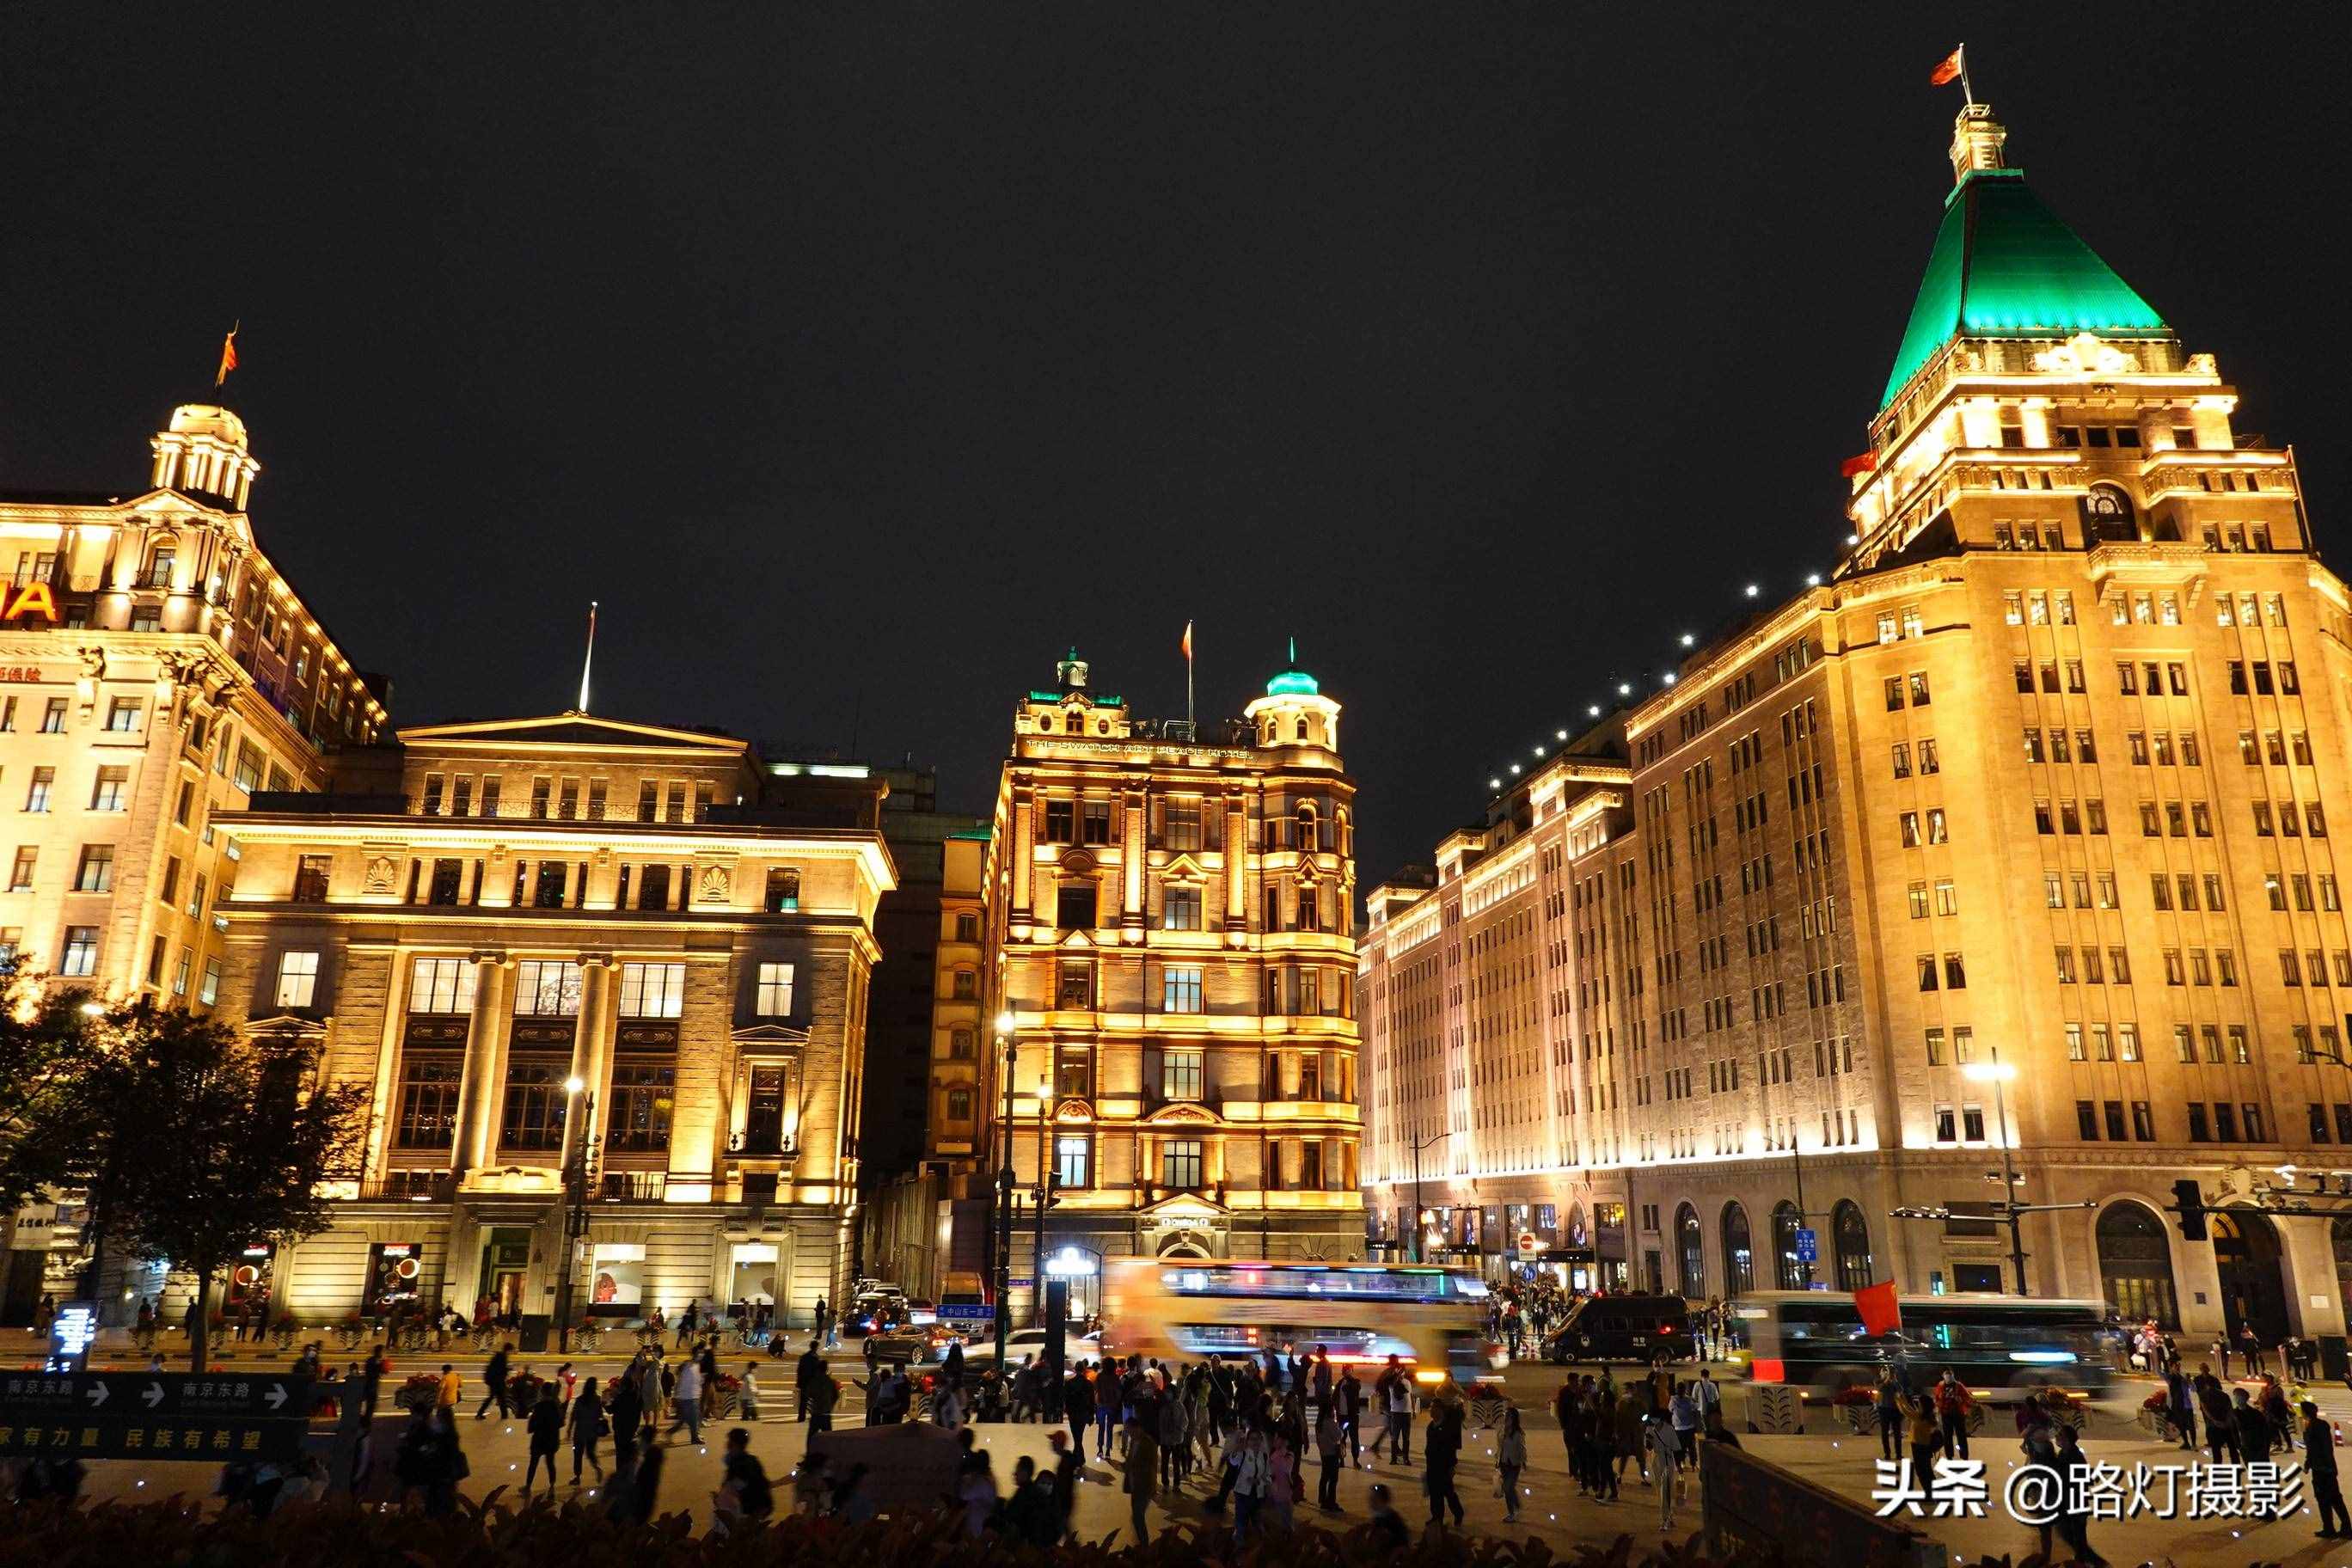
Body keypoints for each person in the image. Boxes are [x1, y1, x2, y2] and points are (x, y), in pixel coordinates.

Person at [2051, 1424, 2108, 1565]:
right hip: (2066, 1502)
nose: (2057, 1437)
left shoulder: (2075, 1457)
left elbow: (2083, 1479)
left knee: (2077, 1538)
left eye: (2060, 1435)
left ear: (2068, 1439)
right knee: (2071, 1535)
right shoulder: (2064, 1453)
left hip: (2076, 1503)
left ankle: (2093, 1562)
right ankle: (2091, 1561)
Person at [2307, 1401, 2350, 1538]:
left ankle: (2341, 1528)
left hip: (2323, 1470)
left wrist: (2328, 1467)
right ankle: (2333, 1528)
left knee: (2331, 1499)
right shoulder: (2316, 1425)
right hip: (2322, 1468)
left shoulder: (2316, 1427)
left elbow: (2324, 1449)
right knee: (2329, 1499)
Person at [1423, 1387, 1464, 1528]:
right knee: (1435, 1495)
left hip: (1445, 1467)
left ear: (1439, 1410)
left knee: (1448, 1493)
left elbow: (1450, 1450)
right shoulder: (1430, 1427)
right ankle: (1437, 1518)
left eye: (1432, 1408)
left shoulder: (1447, 1428)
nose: (1430, 1410)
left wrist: (1452, 1466)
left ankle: (1458, 1513)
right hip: (1432, 1466)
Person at [1007, 1453, 1060, 1547]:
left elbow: (1017, 1521)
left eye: (1018, 1470)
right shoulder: (1029, 1493)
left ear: (1025, 1472)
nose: (1015, 1474)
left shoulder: (1026, 1494)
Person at [720, 1427, 774, 1522]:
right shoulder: (752, 1460)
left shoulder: (738, 1464)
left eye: (730, 1442)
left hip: (750, 1510)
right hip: (759, 1507)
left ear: (735, 1444)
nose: (727, 1445)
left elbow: (738, 1490)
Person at [523, 1384, 563, 1494]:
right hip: (552, 1439)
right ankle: (552, 1485)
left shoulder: (539, 1406)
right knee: (550, 1463)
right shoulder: (556, 1406)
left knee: (533, 1463)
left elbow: (533, 1425)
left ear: (542, 1393)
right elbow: (561, 1422)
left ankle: (528, 1486)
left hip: (539, 1439)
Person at [1648, 1412, 1682, 1533]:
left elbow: (1677, 1448)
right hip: (1655, 1460)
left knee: (1665, 1489)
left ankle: (1665, 1520)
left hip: (1667, 1460)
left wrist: (1679, 1465)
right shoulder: (1650, 1429)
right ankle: (1669, 1514)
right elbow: (1648, 1447)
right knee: (1660, 1490)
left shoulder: (1669, 1430)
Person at [569, 1376, 606, 1485]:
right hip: (592, 1431)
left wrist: (569, 1429)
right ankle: (596, 1467)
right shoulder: (597, 1399)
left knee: (578, 1455)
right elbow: (600, 1415)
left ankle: (577, 1476)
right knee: (590, 1453)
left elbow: (574, 1415)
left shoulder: (580, 1399)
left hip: (580, 1431)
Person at [1378, 1356, 1414, 1463]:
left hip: (1406, 1412)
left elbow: (1410, 1394)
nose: (1402, 1372)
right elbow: (1388, 1386)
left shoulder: (1407, 1382)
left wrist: (1413, 1410)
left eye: (1403, 1371)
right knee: (1395, 1436)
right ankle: (1394, 1458)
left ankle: (1405, 1458)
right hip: (1396, 1412)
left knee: (1406, 1437)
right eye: (1401, 1370)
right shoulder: (1392, 1382)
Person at [1932, 1369, 1971, 1460]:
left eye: (1949, 1376)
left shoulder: (1958, 1385)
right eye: (1946, 1376)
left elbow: (1967, 1397)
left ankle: (1964, 1455)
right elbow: (1937, 1398)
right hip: (1946, 1413)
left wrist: (1960, 1400)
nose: (1948, 1378)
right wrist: (1939, 1406)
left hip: (1957, 1413)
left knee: (1961, 1435)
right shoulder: (1941, 1386)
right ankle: (1950, 1455)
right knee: (1947, 1436)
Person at [1498, 1406, 1528, 1523]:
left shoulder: (1518, 1433)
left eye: (1509, 1416)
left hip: (1514, 1465)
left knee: (1508, 1487)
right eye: (1506, 1416)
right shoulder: (1502, 1431)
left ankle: (1514, 1510)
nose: (1507, 1418)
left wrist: (1523, 1461)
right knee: (1507, 1488)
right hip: (1504, 1463)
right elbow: (1500, 1447)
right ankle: (1512, 1510)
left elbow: (1522, 1448)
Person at [666, 1354, 703, 1443]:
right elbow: (682, 1384)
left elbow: (697, 1382)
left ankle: (671, 1432)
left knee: (686, 1419)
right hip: (686, 1398)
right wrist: (677, 1396)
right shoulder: (687, 1366)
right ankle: (694, 1438)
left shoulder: (696, 1366)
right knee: (692, 1419)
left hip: (693, 1397)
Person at [1364, 1482, 1410, 1552]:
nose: (1370, 1502)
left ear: (1381, 1501)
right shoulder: (1388, 1515)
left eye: (1373, 1499)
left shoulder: (1384, 1520)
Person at [1315, 1401, 1344, 1510]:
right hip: (1331, 1452)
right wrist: (1340, 1429)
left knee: (1324, 1476)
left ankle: (1322, 1499)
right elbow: (1337, 1436)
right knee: (1333, 1478)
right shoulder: (1329, 1422)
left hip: (1323, 1453)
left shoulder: (1319, 1423)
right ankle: (1331, 1502)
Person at [1063, 1362, 1095, 1454]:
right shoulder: (1088, 1384)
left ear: (1075, 1369)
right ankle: (1079, 1458)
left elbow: (1066, 1399)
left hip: (1073, 1413)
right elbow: (1092, 1401)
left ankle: (1078, 1458)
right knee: (1079, 1436)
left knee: (1076, 1436)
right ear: (1084, 1370)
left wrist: (1067, 1411)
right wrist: (1091, 1415)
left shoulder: (1069, 1383)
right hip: (1083, 1413)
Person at [477, 1344, 512, 1420]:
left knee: (499, 1398)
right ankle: (504, 1416)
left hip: (494, 1381)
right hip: (497, 1382)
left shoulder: (499, 1356)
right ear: (508, 1350)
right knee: (499, 1398)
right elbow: (500, 1370)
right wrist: (508, 1369)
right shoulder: (502, 1357)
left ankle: (504, 1416)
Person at [796, 1338, 825, 1422]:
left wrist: (798, 1382)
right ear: (816, 1348)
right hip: (812, 1383)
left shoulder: (804, 1357)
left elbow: (799, 1370)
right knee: (815, 1400)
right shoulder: (815, 1358)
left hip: (804, 1382)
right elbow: (817, 1371)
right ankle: (815, 1416)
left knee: (803, 1402)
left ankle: (801, 1417)